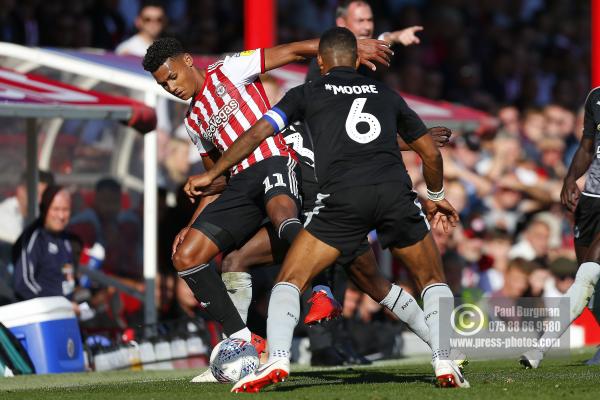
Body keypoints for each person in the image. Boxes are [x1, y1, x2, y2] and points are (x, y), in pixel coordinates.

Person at [189, 27, 469, 390]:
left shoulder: (304, 99)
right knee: (408, 281)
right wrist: (430, 181)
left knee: (297, 278)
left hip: (334, 206)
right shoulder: (385, 93)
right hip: (389, 194)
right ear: (355, 60)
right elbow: (373, 135)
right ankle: (443, 357)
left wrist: (213, 171)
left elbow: (262, 132)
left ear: (320, 62)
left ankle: (277, 354)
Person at [142, 36, 392, 354]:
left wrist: (350, 49)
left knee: (286, 220)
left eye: (172, 77)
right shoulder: (193, 122)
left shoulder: (230, 69)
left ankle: (323, 288)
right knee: (191, 257)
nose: (172, 88)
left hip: (276, 164)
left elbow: (292, 50)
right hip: (243, 188)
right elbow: (217, 180)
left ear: (188, 61)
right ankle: (241, 343)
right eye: (164, 86)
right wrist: (192, 224)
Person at [520, 87, 600, 368]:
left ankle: (539, 349)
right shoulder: (595, 97)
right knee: (588, 283)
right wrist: (569, 179)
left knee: (588, 273)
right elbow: (588, 146)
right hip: (591, 200)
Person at [305, 0, 423, 82]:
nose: (367, 27)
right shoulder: (327, 55)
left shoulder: (366, 53)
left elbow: (378, 43)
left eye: (370, 20)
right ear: (341, 23)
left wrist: (394, 37)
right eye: (360, 21)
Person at [12, 186, 77, 305]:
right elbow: (23, 284)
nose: (61, 216)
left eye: (65, 209)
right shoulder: (35, 237)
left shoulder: (66, 239)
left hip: (67, 312)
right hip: (44, 316)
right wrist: (58, 305)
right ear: (45, 208)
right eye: (56, 209)